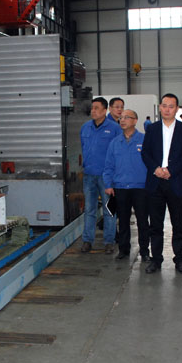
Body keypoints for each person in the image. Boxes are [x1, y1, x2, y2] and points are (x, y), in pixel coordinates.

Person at [141, 93, 182, 274]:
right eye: (164, 106)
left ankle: (179, 260)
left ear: (177, 109)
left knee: (178, 224)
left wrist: (171, 170)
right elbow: (145, 153)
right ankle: (156, 260)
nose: (167, 109)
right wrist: (155, 169)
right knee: (155, 225)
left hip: (176, 182)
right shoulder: (152, 129)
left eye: (171, 106)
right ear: (160, 107)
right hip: (155, 183)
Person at [103, 109, 150, 261]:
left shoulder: (144, 140)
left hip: (140, 187)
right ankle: (124, 250)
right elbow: (108, 166)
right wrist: (108, 184)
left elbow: (152, 163)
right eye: (121, 118)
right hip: (121, 187)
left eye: (126, 117)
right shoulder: (115, 143)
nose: (122, 120)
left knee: (143, 221)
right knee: (123, 221)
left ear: (135, 121)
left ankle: (144, 251)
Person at [80, 97, 121, 254]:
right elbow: (84, 148)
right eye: (92, 108)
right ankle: (87, 241)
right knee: (89, 210)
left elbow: (118, 152)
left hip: (107, 178)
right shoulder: (85, 128)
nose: (93, 111)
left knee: (109, 210)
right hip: (89, 176)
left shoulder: (114, 129)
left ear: (105, 111)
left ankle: (109, 241)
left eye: (97, 108)